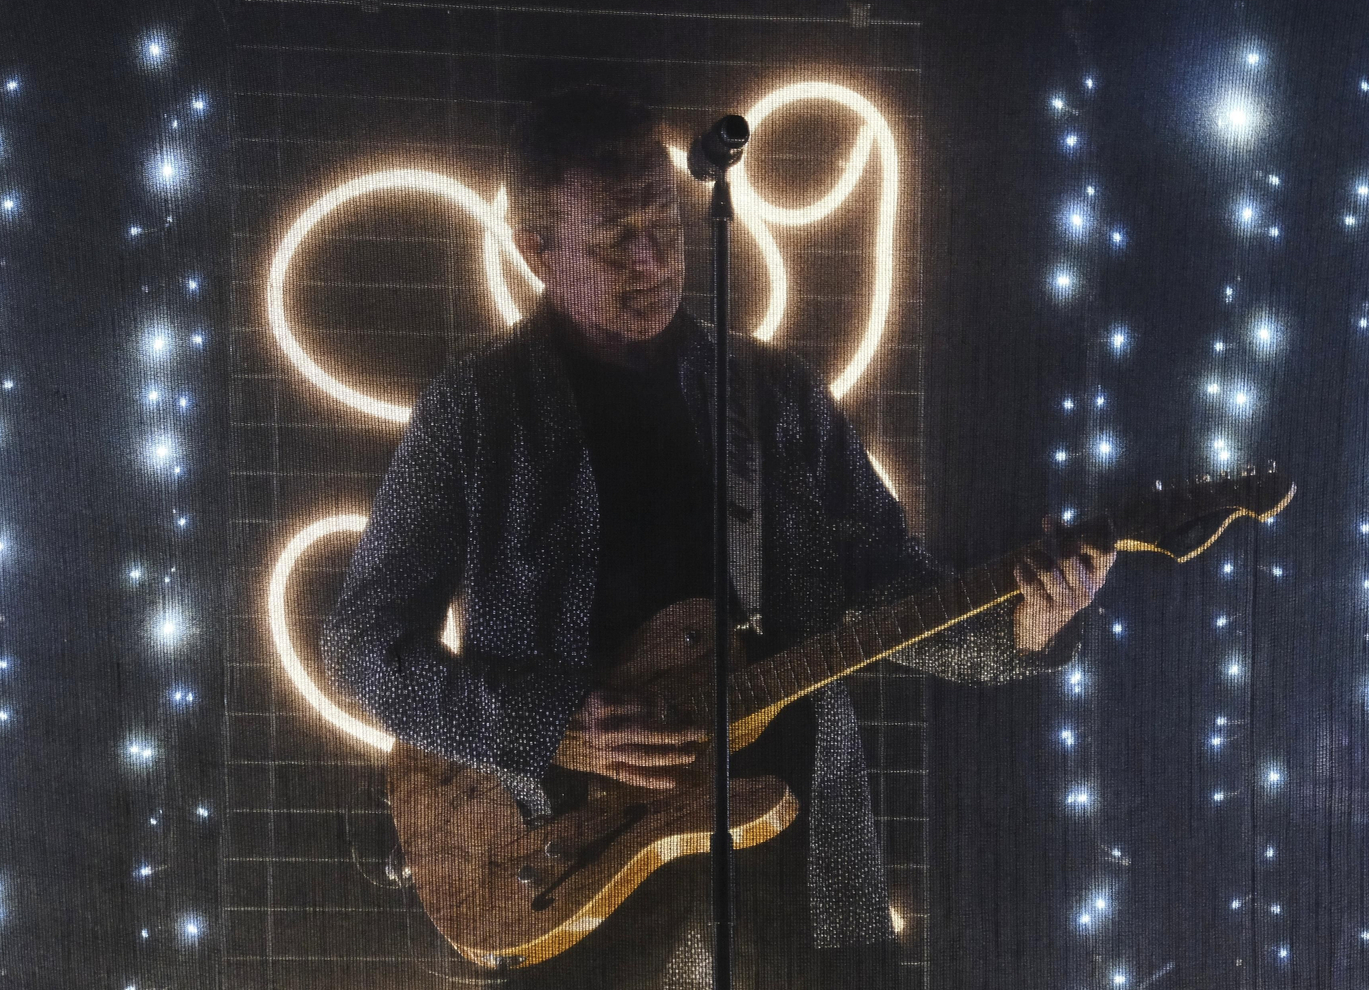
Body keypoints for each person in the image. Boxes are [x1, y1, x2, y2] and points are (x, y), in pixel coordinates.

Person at [320, 84, 1116, 989]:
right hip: (574, 865)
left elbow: (889, 585)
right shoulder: (474, 414)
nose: (653, 258)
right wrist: (550, 728)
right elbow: (360, 648)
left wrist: (1026, 628)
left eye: (664, 221)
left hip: (796, 863)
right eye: (615, 237)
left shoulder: (774, 399)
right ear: (536, 250)